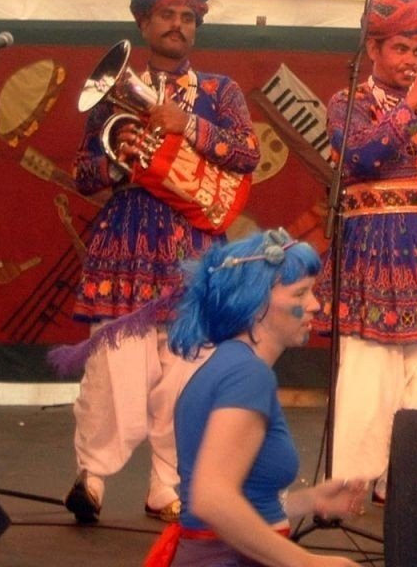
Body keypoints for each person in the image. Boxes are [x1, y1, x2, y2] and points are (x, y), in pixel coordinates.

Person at [65, 0, 260, 524]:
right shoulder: (114, 92)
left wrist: (190, 125)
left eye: (188, 17)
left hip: (193, 245)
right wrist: (115, 158)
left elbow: (247, 156)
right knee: (114, 371)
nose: (179, 26)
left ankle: (165, 487)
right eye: (168, 15)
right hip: (125, 241)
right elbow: (84, 174)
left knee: (184, 374)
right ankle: (93, 478)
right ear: (143, 20)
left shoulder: (221, 92)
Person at [313, 0, 417, 503]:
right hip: (371, 247)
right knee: (367, 369)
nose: (410, 61)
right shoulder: (347, 102)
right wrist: (411, 103)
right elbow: (360, 157)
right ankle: (353, 482)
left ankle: (408, 482)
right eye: (401, 49)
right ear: (374, 48)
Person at [144, 229, 365, 567]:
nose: (315, 305)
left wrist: (309, 501)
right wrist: (305, 563)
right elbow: (211, 500)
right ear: (257, 304)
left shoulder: (224, 367)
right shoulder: (248, 376)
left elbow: (231, 500)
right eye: (301, 293)